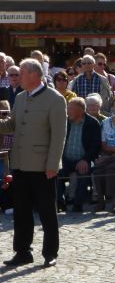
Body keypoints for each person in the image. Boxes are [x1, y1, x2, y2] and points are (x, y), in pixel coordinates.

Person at [0, 59, 67, 268]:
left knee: (47, 212)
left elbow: (59, 136)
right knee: (21, 212)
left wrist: (53, 164)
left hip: (42, 166)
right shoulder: (20, 98)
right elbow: (11, 124)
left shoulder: (55, 99)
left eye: (21, 72)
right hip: (20, 164)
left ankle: (50, 252)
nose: (17, 76)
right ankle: (22, 252)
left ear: (34, 75)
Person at [58, 97, 101, 213]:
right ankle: (59, 203)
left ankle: (78, 204)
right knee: (55, 173)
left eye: (71, 108)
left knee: (84, 172)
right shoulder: (65, 122)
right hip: (65, 160)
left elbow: (95, 145)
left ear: (81, 110)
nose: (68, 111)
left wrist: (86, 159)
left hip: (84, 159)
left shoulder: (92, 123)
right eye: (68, 108)